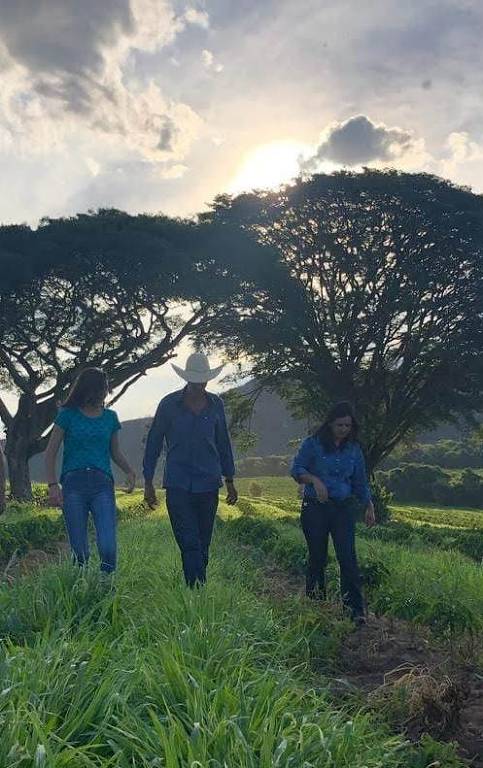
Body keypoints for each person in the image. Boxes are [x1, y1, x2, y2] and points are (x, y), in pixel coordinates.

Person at [143, 352, 238, 587]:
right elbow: (154, 443)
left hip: (208, 482)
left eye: (202, 381)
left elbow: (223, 443)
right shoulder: (168, 404)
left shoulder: (216, 404)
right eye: (195, 381)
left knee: (203, 542)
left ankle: (197, 587)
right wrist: (148, 482)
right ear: (187, 380)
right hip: (178, 483)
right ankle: (195, 589)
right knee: (189, 541)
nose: (199, 386)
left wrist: (230, 479)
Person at [291, 401, 375, 626]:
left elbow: (360, 481)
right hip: (315, 507)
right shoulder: (313, 444)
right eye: (340, 425)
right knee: (317, 557)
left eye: (348, 426)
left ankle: (355, 610)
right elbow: (297, 469)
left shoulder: (354, 449)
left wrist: (369, 505)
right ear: (329, 424)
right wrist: (314, 480)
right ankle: (317, 605)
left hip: (343, 508)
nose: (344, 429)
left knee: (348, 557)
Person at [45, 367, 135, 576]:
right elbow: (50, 453)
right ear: (90, 389)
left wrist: (129, 471)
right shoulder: (67, 416)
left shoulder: (110, 418)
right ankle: (81, 595)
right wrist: (52, 486)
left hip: (102, 485)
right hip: (73, 486)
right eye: (103, 388)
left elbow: (115, 452)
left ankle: (105, 588)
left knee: (108, 547)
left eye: (106, 388)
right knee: (80, 553)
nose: (106, 392)